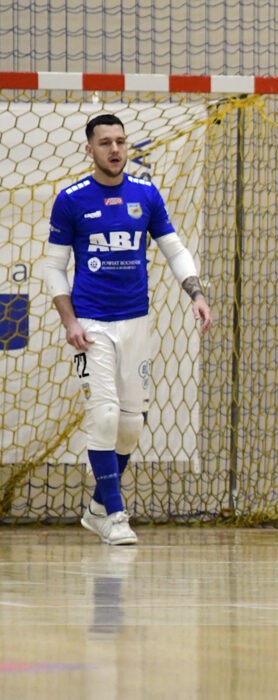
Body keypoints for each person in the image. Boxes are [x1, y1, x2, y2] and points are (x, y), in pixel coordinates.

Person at [41, 113, 212, 546]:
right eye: (105, 143)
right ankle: (116, 515)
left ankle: (97, 509)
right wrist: (70, 322)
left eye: (120, 141)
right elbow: (54, 267)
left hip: (135, 321)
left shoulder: (145, 194)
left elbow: (174, 250)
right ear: (90, 149)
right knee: (104, 415)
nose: (114, 149)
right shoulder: (71, 199)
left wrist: (197, 294)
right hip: (91, 324)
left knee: (132, 424)